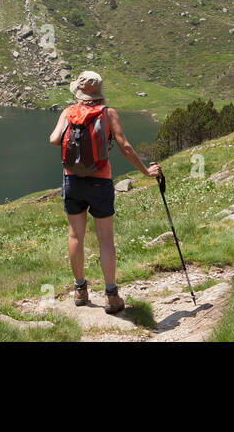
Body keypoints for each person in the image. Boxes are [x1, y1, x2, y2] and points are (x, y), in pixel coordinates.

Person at [49, 70, 161, 314]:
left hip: (72, 181)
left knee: (75, 236)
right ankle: (111, 295)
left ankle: (80, 290)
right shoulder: (108, 114)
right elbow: (125, 146)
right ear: (99, 92)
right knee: (105, 238)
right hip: (100, 182)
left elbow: (54, 139)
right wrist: (145, 171)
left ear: (78, 93)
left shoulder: (67, 112)